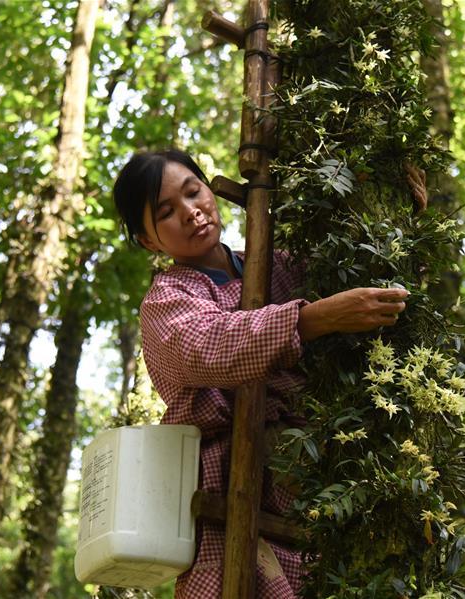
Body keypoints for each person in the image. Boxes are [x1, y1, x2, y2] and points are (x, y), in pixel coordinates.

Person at [113, 149, 417, 598]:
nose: (191, 212)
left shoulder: (277, 262)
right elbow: (211, 344)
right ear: (149, 241)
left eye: (193, 192)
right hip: (234, 502)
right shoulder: (166, 301)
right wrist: (314, 318)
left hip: (325, 484)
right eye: (166, 212)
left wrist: (402, 204)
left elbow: (374, 282)